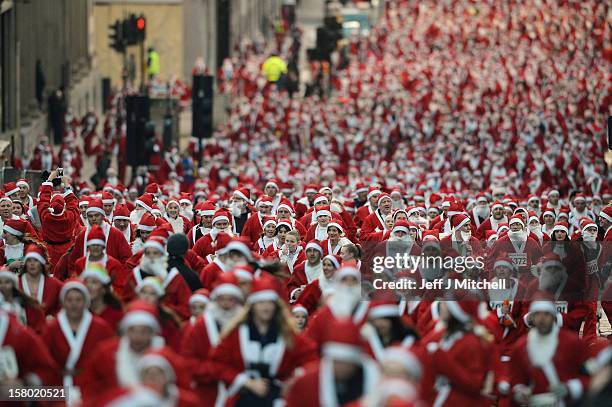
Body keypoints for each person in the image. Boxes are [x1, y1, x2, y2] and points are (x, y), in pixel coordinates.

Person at [210, 275, 317, 406]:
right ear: (253, 305)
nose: (266, 308)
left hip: (277, 399)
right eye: (261, 303)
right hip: (242, 397)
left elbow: (311, 360)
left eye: (270, 303)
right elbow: (217, 364)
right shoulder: (236, 333)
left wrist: (293, 382)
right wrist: (245, 381)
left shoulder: (288, 334)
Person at [180, 273, 244, 406]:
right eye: (222, 299)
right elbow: (188, 360)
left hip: (239, 391)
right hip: (206, 392)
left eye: (231, 299)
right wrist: (214, 370)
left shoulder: (245, 325)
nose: (226, 305)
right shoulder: (201, 326)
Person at [511, 299, 590, 406]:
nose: (542, 319)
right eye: (537, 314)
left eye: (546, 314)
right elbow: (517, 380)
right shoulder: (521, 347)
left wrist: (570, 388)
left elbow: (591, 377)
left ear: (554, 317)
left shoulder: (573, 343)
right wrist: (520, 393)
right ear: (532, 318)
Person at [285, 318, 380, 407]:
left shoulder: (376, 379)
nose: (341, 367)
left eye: (346, 362)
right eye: (336, 361)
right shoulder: (307, 383)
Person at [43, 279, 114, 396]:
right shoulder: (51, 328)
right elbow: (43, 359)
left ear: (86, 301)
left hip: (91, 386)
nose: (74, 304)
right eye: (69, 300)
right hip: (57, 387)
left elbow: (109, 357)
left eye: (78, 300)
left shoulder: (101, 327)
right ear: (62, 302)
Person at [18, 245, 63, 316]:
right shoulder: (16, 282)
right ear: (25, 264)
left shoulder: (54, 284)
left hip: (47, 325)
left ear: (41, 263)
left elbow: (63, 305)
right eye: (29, 260)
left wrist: (55, 317)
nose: (32, 264)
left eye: (35, 260)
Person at [81, 264, 124, 331]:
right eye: (86, 282)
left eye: (94, 282)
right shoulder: (79, 312)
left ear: (104, 289)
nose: (88, 286)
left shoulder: (116, 315)